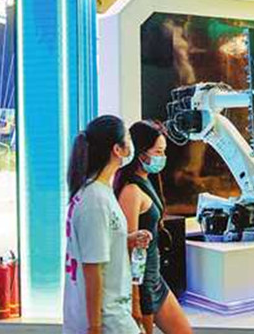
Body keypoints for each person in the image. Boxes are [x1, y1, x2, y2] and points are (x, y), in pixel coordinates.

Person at [64, 115, 153, 334]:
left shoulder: (98, 192)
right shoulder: (95, 199)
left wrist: (125, 239)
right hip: (107, 320)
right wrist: (95, 327)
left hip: (111, 315)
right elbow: (92, 268)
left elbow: (97, 244)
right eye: (128, 139)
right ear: (117, 149)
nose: (131, 145)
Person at [114, 120, 192, 334]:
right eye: (158, 152)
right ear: (141, 154)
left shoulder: (147, 181)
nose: (162, 157)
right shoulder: (131, 191)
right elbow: (130, 248)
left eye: (164, 151)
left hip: (155, 277)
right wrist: (135, 300)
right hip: (143, 284)